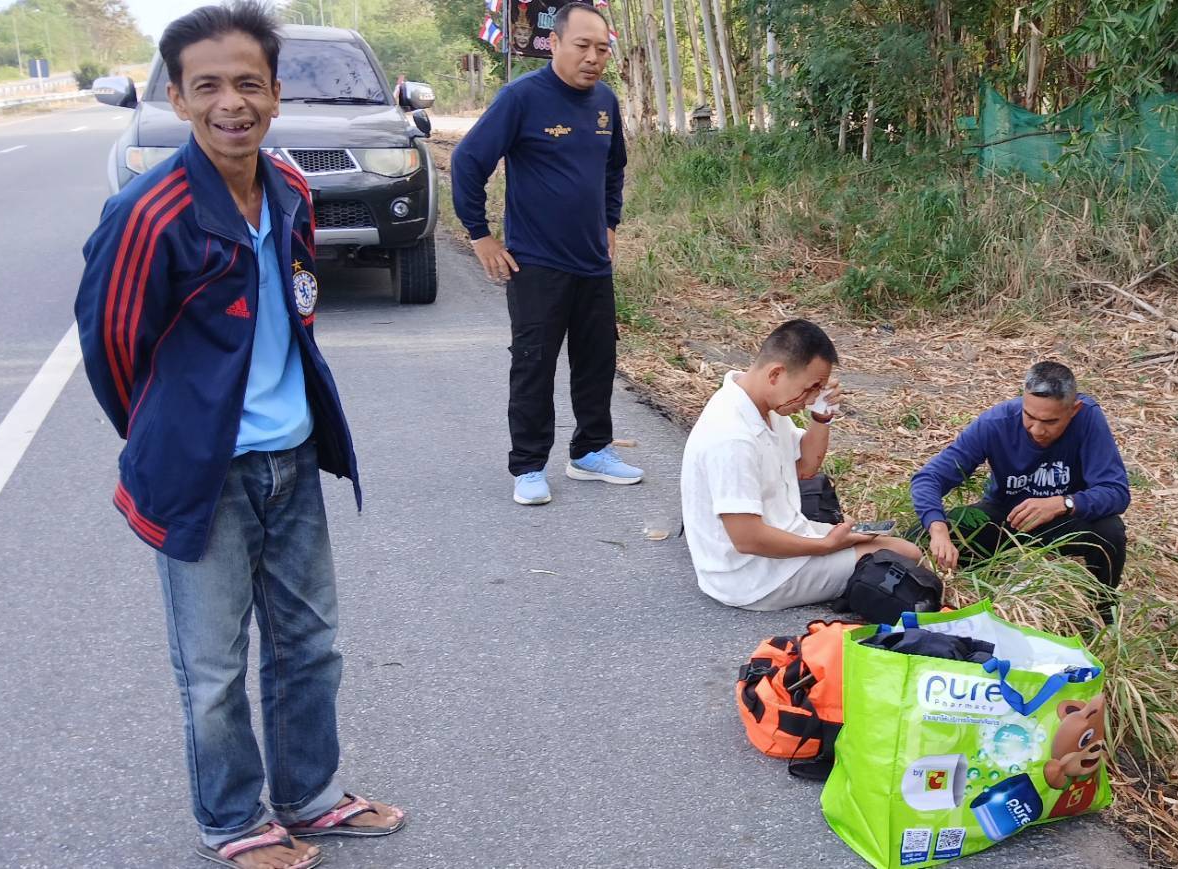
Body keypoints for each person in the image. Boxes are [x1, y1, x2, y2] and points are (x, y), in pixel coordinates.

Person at [73, 4, 405, 867]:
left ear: (274, 91)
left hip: (291, 457)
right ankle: (232, 819)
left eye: (248, 83)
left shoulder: (290, 187)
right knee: (214, 669)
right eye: (208, 85)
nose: (232, 102)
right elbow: (111, 348)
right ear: (178, 98)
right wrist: (173, 434)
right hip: (205, 475)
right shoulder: (149, 213)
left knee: (309, 645)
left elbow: (297, 305)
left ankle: (310, 795)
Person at [451, 0, 641, 506]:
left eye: (602, 48)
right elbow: (468, 162)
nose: (593, 57)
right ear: (554, 43)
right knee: (534, 363)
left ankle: (592, 451)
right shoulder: (521, 98)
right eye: (582, 45)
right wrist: (480, 234)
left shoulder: (606, 102)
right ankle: (529, 465)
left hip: (592, 263)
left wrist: (610, 221)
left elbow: (612, 168)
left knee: (597, 359)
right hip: (535, 262)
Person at [680, 320, 923, 610]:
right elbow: (747, 538)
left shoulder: (765, 407)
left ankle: (849, 577)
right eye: (811, 388)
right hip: (751, 577)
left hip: (785, 542)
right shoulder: (732, 436)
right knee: (905, 554)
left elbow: (806, 467)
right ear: (775, 374)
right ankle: (853, 588)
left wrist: (822, 417)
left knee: (886, 544)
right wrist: (825, 547)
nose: (810, 399)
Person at [911, 362, 1132, 621]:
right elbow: (929, 477)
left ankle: (1103, 609)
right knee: (918, 538)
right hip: (1006, 516)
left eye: (1050, 421)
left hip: (1063, 519)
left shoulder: (1088, 418)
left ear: (1074, 410)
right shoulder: (997, 422)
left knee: (1109, 531)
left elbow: (1116, 491)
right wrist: (938, 530)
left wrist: (1064, 503)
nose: (1038, 430)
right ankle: (941, 602)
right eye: (1030, 417)